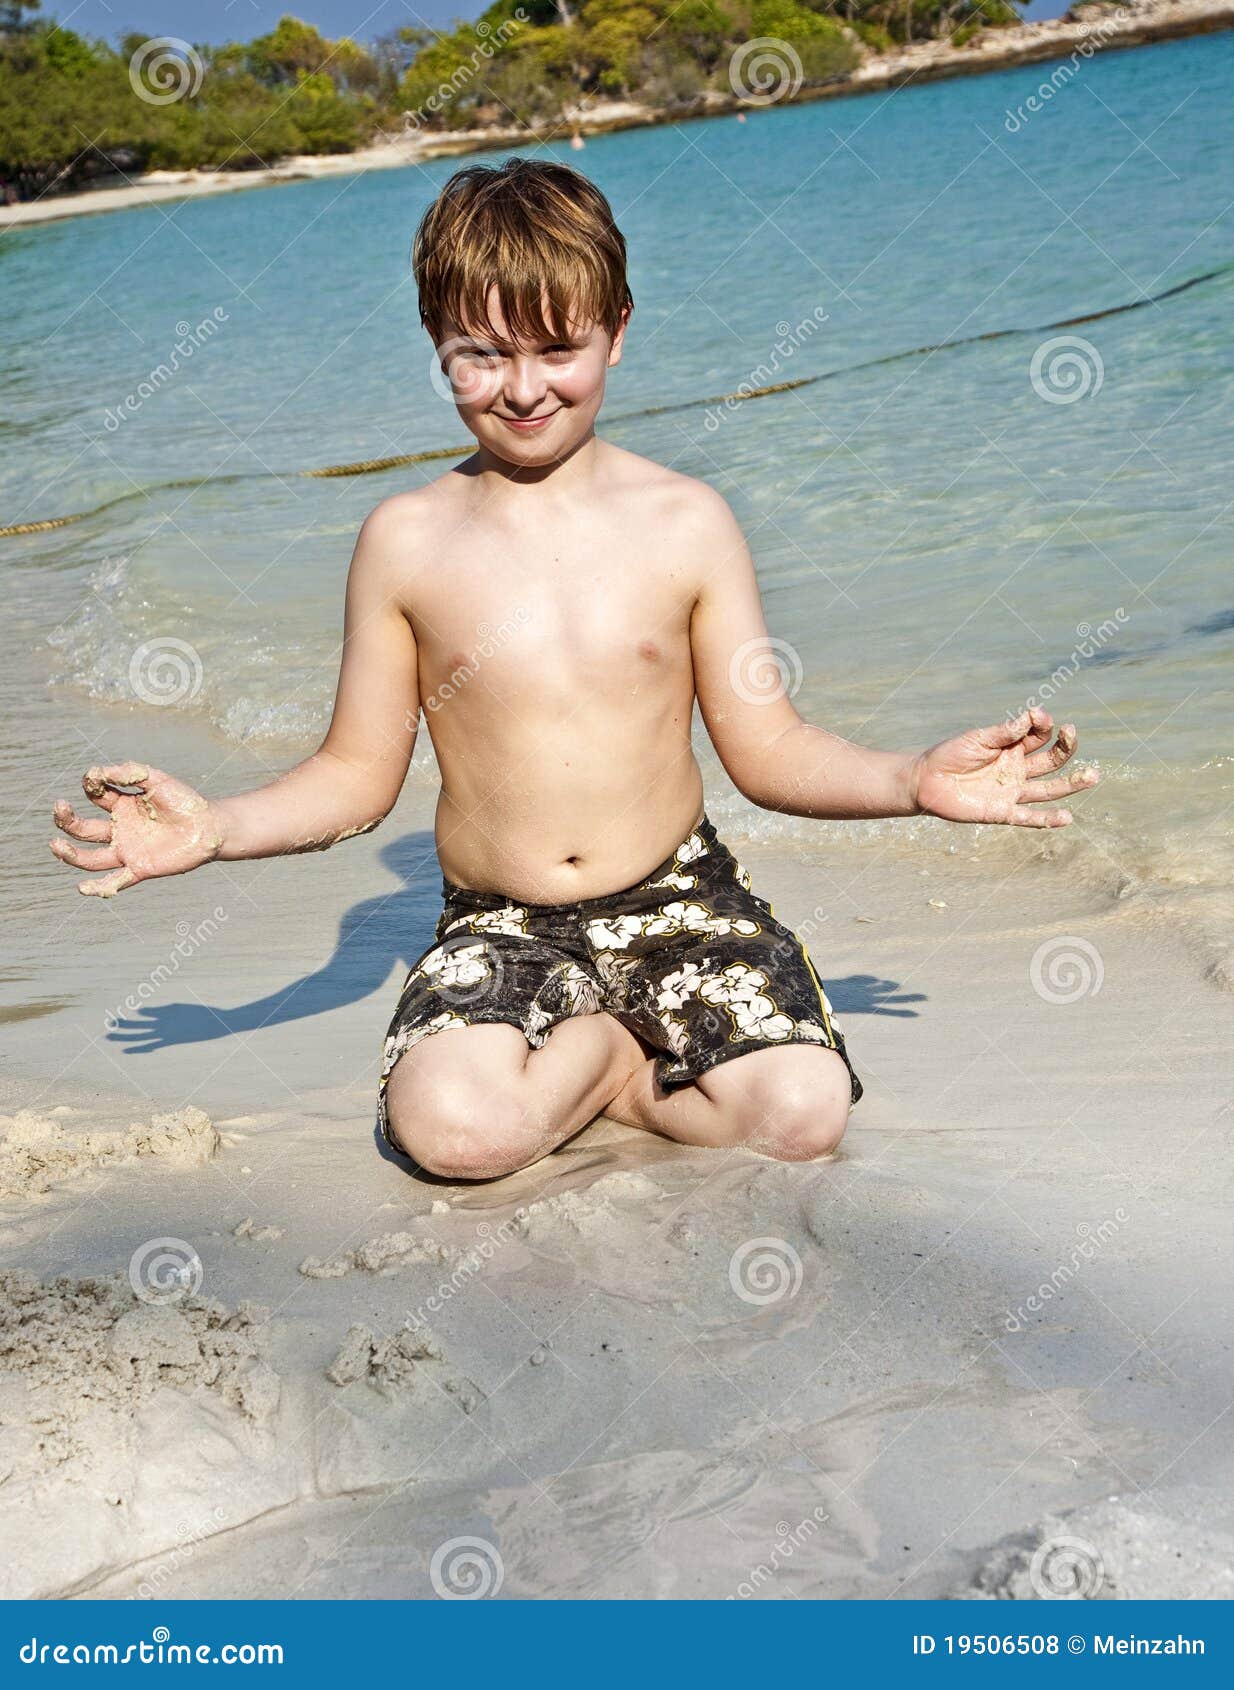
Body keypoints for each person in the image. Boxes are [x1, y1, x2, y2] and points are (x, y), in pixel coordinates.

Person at [49, 159, 1099, 1180]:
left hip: (684, 900)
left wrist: (910, 778)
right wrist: (219, 827)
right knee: (455, 1135)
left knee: (801, 1115)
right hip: (501, 920)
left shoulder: (685, 522)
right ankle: (602, 1052)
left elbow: (771, 750)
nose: (521, 389)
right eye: (481, 354)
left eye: (558, 349)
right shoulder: (406, 540)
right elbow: (357, 777)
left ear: (618, 332)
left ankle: (619, 1076)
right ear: (435, 346)